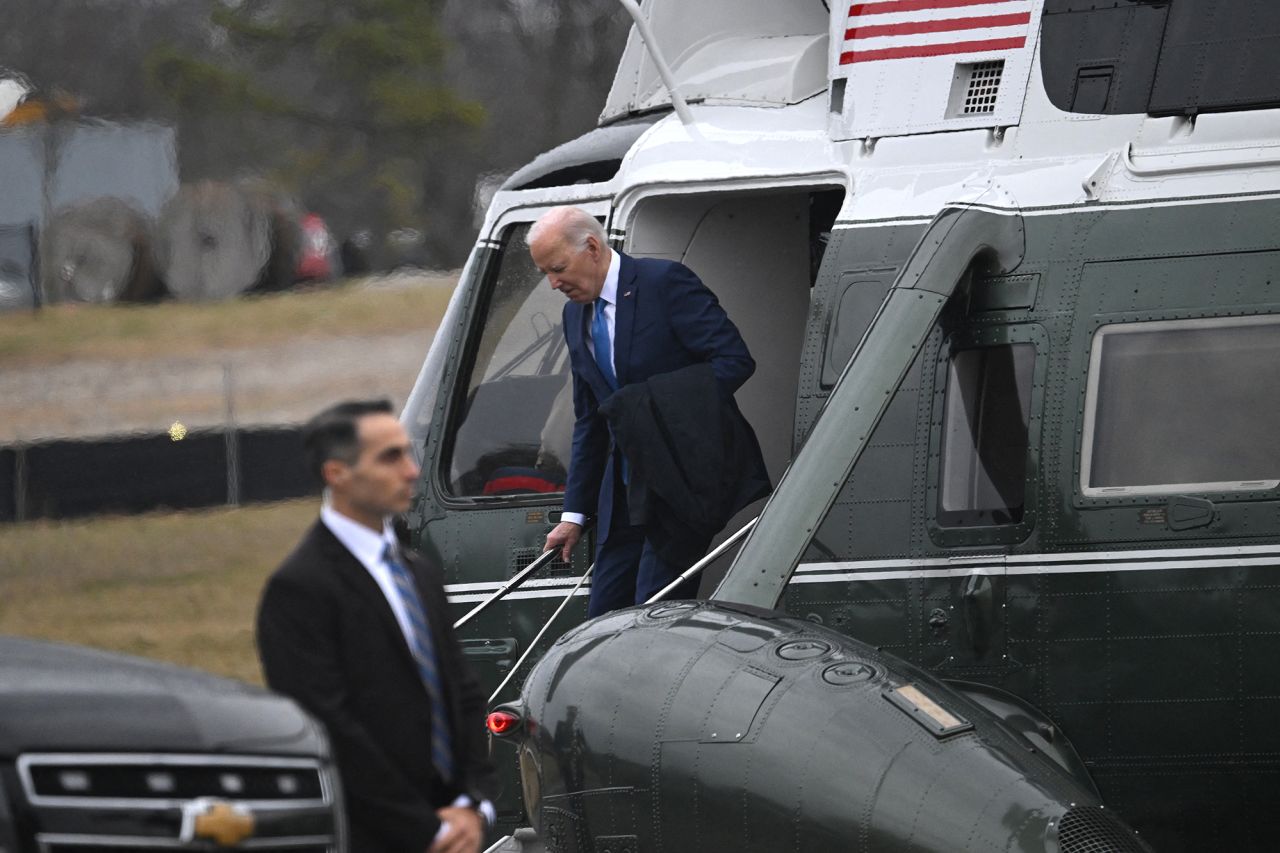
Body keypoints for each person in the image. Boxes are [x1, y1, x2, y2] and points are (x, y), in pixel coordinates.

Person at [256, 399, 495, 853]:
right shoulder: (300, 588)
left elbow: (461, 692)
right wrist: (426, 828)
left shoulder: (418, 572)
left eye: (408, 454)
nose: (411, 472)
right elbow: (330, 727)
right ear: (337, 474)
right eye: (390, 457)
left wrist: (471, 804)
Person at [530, 206, 769, 617]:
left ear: (591, 247)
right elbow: (592, 420)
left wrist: (648, 405)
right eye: (545, 274)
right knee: (602, 618)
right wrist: (573, 514)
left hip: (678, 483)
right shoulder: (574, 315)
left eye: (558, 268)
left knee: (652, 618)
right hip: (622, 494)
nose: (553, 283)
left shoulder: (664, 283)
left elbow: (733, 360)